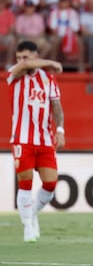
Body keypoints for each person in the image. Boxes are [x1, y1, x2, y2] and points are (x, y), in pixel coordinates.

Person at [7, 40, 65, 243]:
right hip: (21, 139)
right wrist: (49, 62)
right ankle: (28, 226)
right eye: (19, 57)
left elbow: (56, 106)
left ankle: (31, 213)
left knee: (50, 184)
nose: (21, 61)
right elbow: (24, 67)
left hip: (45, 139)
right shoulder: (15, 73)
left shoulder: (48, 78)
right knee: (25, 183)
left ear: (35, 56)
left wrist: (60, 129)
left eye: (26, 56)